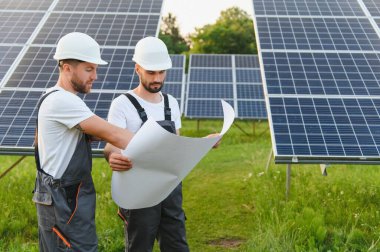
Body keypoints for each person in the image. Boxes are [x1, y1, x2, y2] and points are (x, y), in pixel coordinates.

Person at [32, 32, 134, 252]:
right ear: (67, 68)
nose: (95, 76)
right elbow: (115, 135)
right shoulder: (63, 101)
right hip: (65, 202)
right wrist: (174, 146)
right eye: (89, 69)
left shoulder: (51, 96)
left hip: (62, 200)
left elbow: (94, 133)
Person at [103, 36, 190, 252]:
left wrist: (204, 144)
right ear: (137, 69)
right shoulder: (122, 104)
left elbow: (175, 143)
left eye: (161, 72)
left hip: (169, 186)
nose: (157, 78)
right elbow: (110, 146)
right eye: (151, 72)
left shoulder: (171, 103)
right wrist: (112, 156)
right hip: (138, 190)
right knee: (139, 245)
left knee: (176, 243)